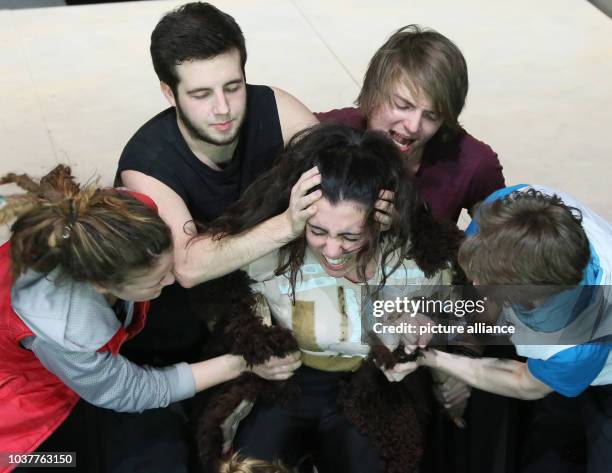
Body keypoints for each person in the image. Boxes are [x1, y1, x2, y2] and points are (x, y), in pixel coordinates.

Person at [200, 123, 464, 473]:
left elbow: (467, 311)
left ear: (381, 218)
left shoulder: (418, 263)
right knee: (248, 462)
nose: (333, 249)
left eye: (351, 235)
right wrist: (254, 349)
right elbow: (211, 283)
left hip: (367, 384)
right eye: (318, 231)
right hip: (290, 380)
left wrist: (429, 328)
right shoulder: (267, 253)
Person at [0, 165, 300, 473]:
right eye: (156, 280)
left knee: (164, 452)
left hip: (87, 365)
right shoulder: (60, 323)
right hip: (21, 402)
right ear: (101, 284)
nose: (173, 278)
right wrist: (241, 362)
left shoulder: (123, 218)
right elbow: (133, 391)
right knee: (59, 463)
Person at [114, 2, 326, 366]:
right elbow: (188, 266)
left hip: (269, 295)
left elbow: (339, 169)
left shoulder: (276, 109)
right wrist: (286, 225)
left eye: (233, 87)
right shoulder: (147, 164)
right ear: (170, 93)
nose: (223, 108)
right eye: (201, 95)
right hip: (177, 329)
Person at [417, 185, 612, 473]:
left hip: (603, 372)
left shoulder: (580, 340)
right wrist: (463, 353)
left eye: (488, 282)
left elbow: (524, 383)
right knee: (545, 443)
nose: (475, 284)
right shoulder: (505, 211)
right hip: (558, 354)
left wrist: (434, 359)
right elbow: (481, 300)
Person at [317, 25, 505, 223]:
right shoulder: (327, 133)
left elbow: (506, 243)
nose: (413, 126)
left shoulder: (474, 164)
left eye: (432, 116)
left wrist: (407, 229)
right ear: (373, 92)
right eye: (403, 105)